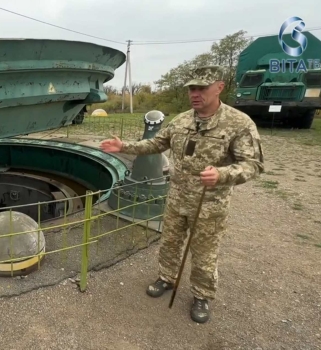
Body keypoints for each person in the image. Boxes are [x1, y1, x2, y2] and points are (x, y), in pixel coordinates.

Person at [100, 65, 264, 323]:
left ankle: (202, 295)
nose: (195, 93)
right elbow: (156, 143)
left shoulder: (239, 123)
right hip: (176, 198)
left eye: (202, 88)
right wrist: (125, 146)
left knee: (204, 252)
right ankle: (166, 278)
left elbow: (253, 165)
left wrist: (223, 175)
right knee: (170, 243)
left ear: (219, 87)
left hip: (209, 204)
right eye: (192, 88)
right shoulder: (181, 120)